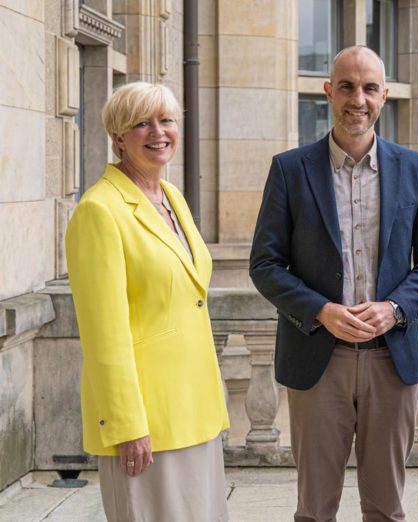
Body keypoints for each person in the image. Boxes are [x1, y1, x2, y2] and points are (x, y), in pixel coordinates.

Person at [249, 46, 418, 522]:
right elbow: (265, 264)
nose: (356, 99)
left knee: (386, 508)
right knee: (315, 509)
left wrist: (395, 308)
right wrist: (321, 310)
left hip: (391, 360)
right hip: (319, 359)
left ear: (383, 96)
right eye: (346, 86)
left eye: (368, 88)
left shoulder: (415, 168)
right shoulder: (290, 169)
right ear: (328, 92)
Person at [66, 81, 230, 522]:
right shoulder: (99, 211)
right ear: (119, 137)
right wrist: (127, 425)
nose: (158, 132)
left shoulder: (171, 197)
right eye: (142, 123)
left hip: (196, 407)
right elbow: (104, 335)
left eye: (167, 120)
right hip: (147, 423)